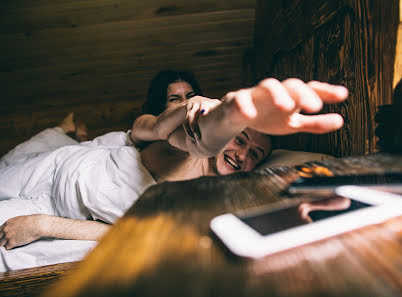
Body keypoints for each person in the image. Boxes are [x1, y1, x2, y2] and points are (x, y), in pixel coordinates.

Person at [0, 78, 348, 270]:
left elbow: (124, 234)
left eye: (254, 154)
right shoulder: (179, 140)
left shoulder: (214, 202)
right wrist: (201, 122)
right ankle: (66, 132)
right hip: (57, 170)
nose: (242, 156)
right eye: (239, 140)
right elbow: (165, 130)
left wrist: (42, 224)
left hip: (58, 210)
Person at [0, 70, 202, 169]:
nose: (186, 103)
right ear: (161, 105)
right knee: (22, 162)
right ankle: (64, 130)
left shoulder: (200, 139)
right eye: (174, 99)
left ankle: (77, 137)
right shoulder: (149, 122)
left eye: (190, 96)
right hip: (104, 150)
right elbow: (157, 128)